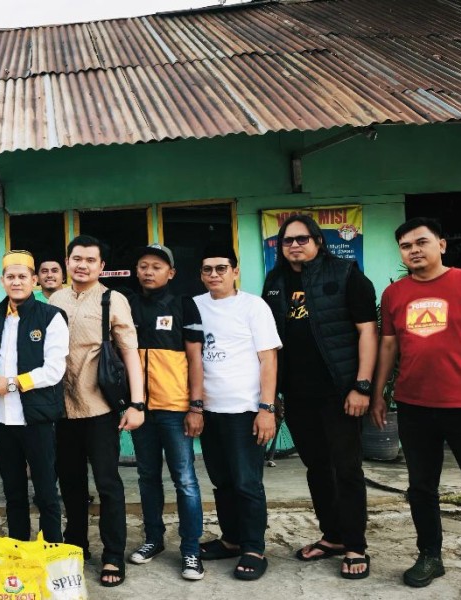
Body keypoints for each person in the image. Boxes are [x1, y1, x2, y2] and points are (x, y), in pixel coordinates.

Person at [371, 218, 461, 600]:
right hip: (415, 406)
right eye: (405, 246)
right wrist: (378, 393)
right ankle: (429, 556)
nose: (414, 250)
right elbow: (388, 346)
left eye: (421, 242)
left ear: (442, 244)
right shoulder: (394, 294)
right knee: (421, 488)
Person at [262, 215, 377, 579]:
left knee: (346, 468)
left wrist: (361, 386)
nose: (294, 245)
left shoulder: (346, 274)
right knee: (316, 468)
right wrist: (273, 394)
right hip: (297, 394)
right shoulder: (275, 281)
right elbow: (270, 341)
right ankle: (332, 536)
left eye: (302, 239)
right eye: (287, 241)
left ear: (318, 241)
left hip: (339, 392)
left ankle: (355, 544)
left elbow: (367, 333)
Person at [48, 235, 146, 588]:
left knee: (107, 484)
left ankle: (113, 555)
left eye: (91, 259)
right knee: (70, 484)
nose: (83, 265)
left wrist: (137, 403)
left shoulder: (113, 299)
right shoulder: (55, 298)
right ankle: (76, 546)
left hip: (100, 407)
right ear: (67, 261)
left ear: (102, 265)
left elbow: (130, 352)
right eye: (77, 258)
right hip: (61, 409)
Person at [194, 244, 281, 582]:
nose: (214, 274)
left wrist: (266, 408)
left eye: (220, 268)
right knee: (222, 481)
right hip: (209, 409)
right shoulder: (195, 306)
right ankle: (231, 540)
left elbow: (268, 359)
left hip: (245, 409)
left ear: (235, 271)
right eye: (207, 269)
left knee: (247, 482)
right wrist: (195, 406)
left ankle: (253, 548)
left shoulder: (253, 306)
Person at [125, 244, 207, 581]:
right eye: (143, 265)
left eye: (156, 266)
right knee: (147, 478)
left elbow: (195, 358)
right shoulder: (128, 305)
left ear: (170, 272)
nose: (148, 271)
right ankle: (153, 540)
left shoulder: (184, 304)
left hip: (175, 408)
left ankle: (191, 550)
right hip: (141, 409)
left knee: (185, 480)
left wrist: (196, 406)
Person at [0, 250, 69, 542]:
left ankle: (52, 553)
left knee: (46, 491)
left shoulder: (51, 317)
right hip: (2, 418)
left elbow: (54, 370)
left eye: (23, 276)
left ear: (34, 280)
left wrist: (11, 384)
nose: (16, 282)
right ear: (2, 281)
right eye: (11, 277)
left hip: (37, 418)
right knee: (13, 492)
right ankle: (18, 551)